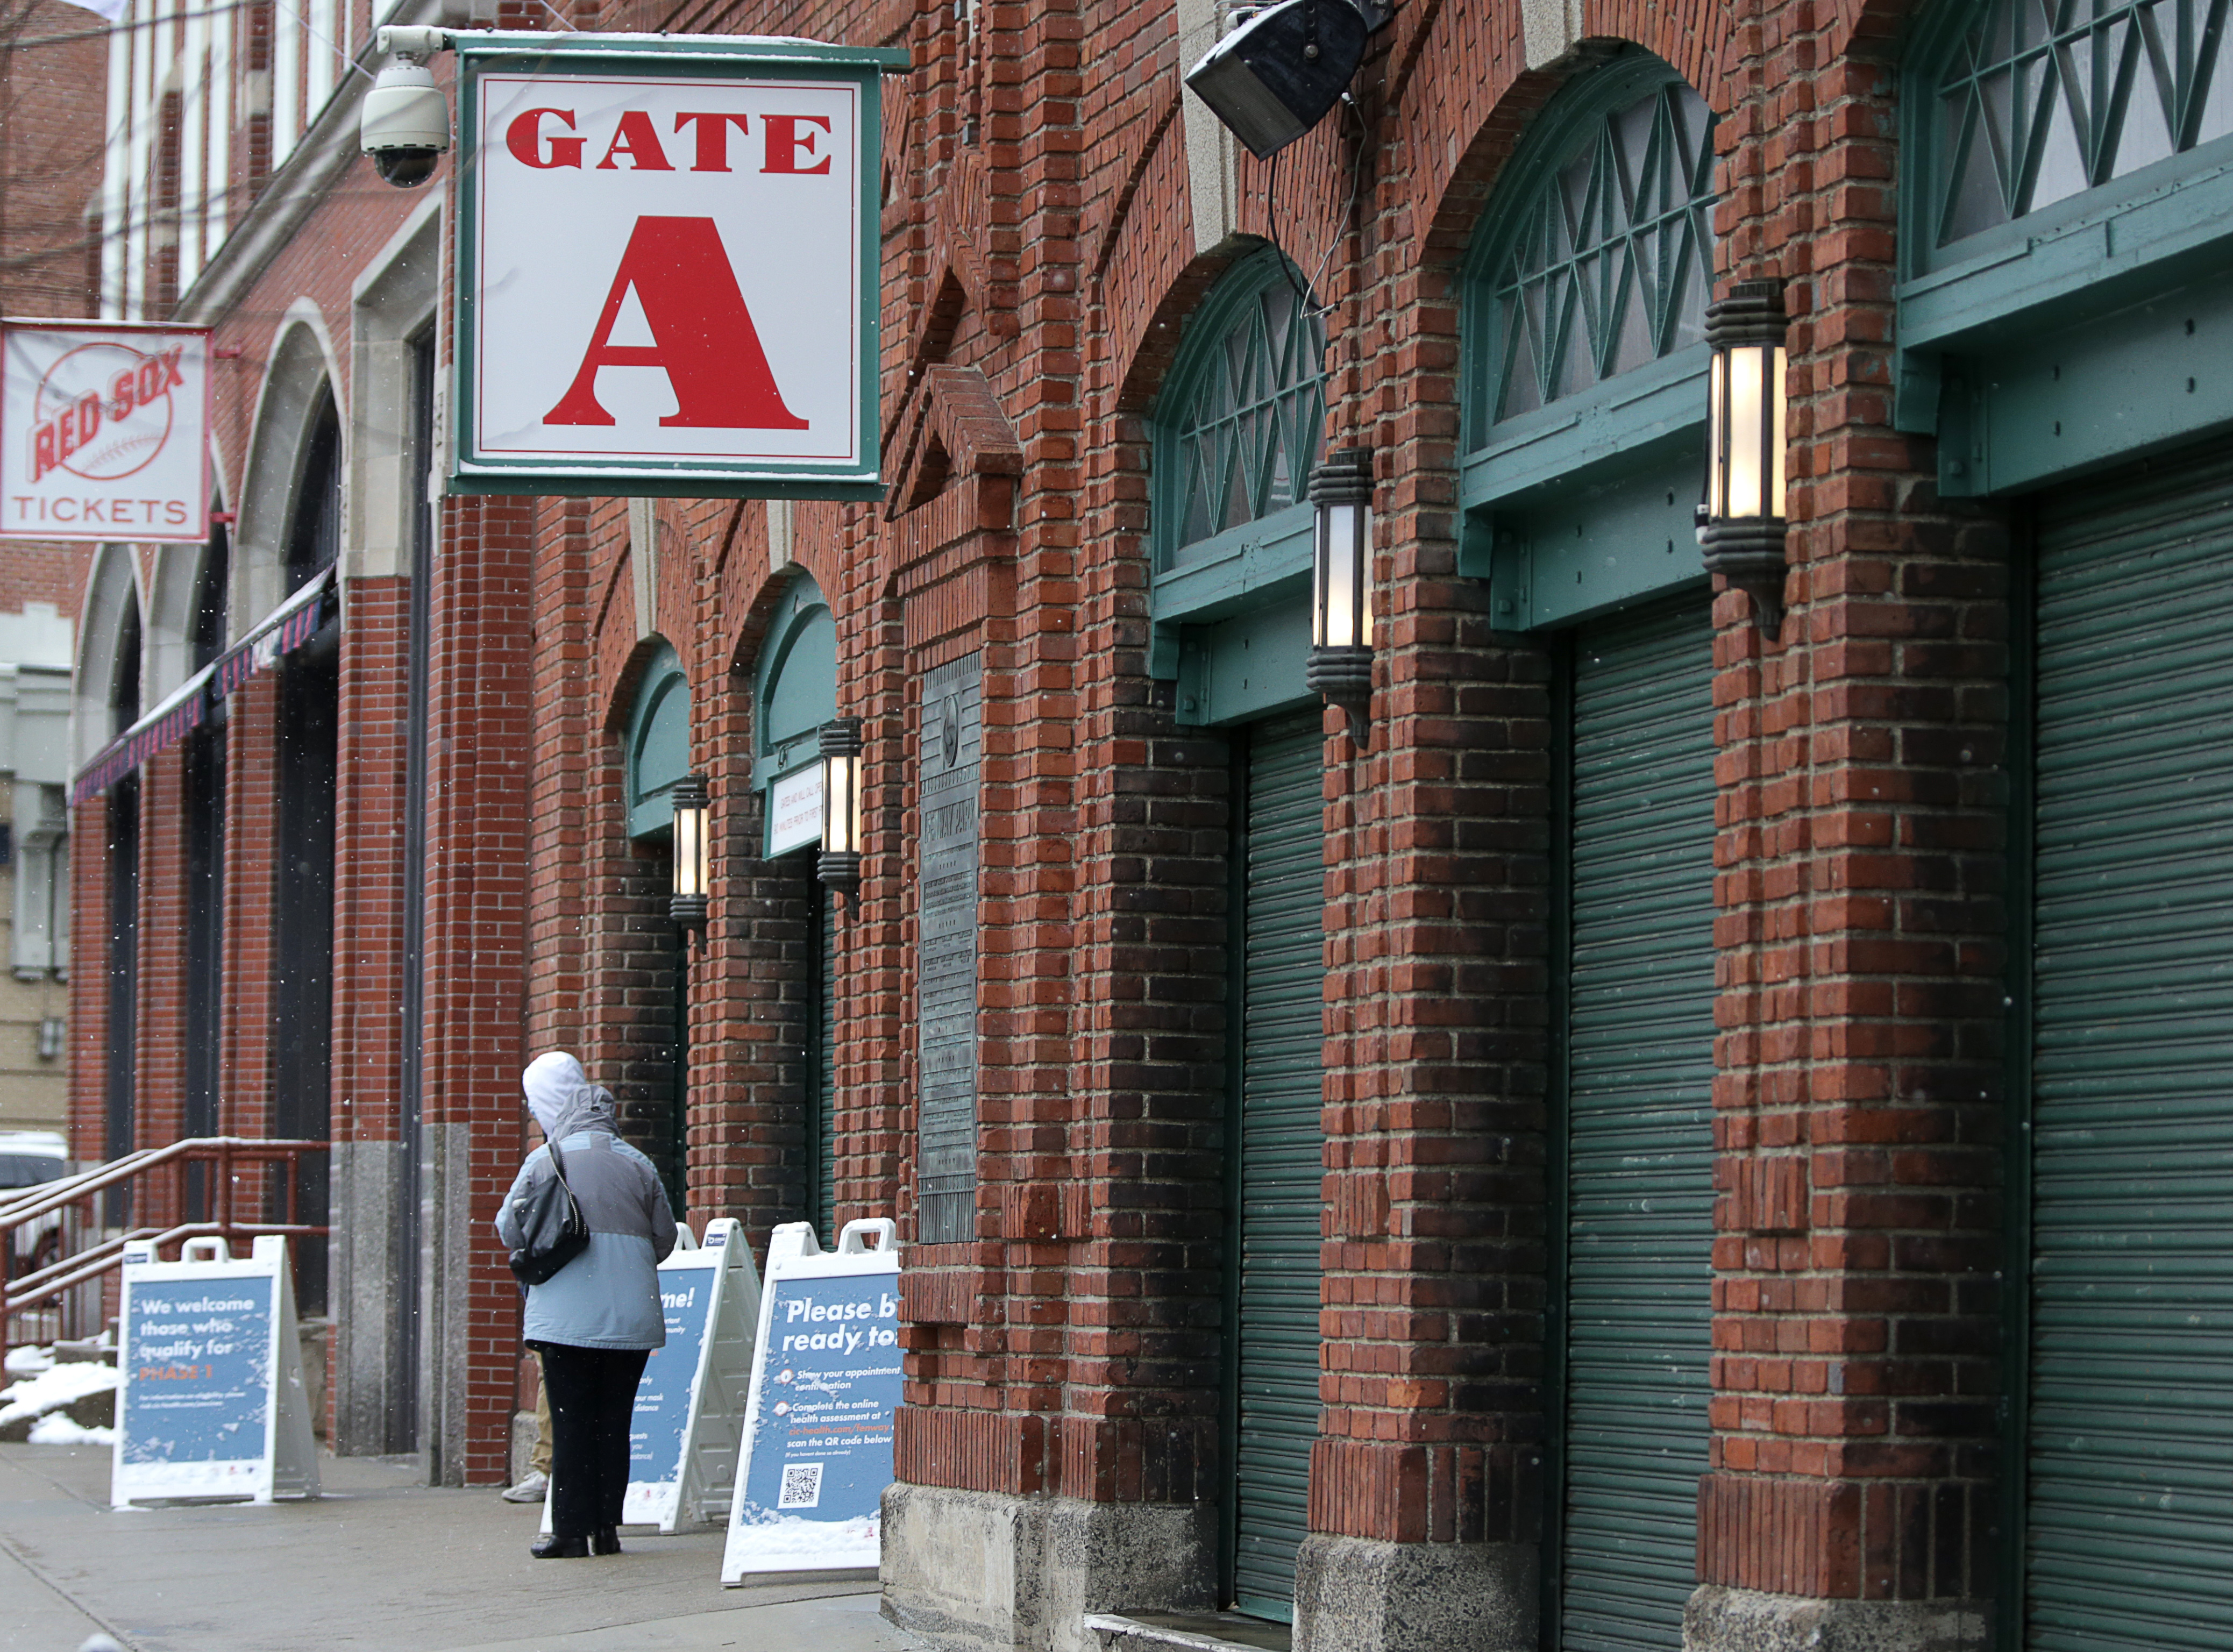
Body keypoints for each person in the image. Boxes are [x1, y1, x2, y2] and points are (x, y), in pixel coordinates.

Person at [495, 1051, 677, 1558]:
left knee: (572, 1421)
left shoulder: (546, 1159)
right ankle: (606, 1529)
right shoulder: (637, 1163)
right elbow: (663, 1240)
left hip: (565, 1323)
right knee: (615, 1424)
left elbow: (509, 1229)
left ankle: (570, 1532)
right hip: (631, 1322)